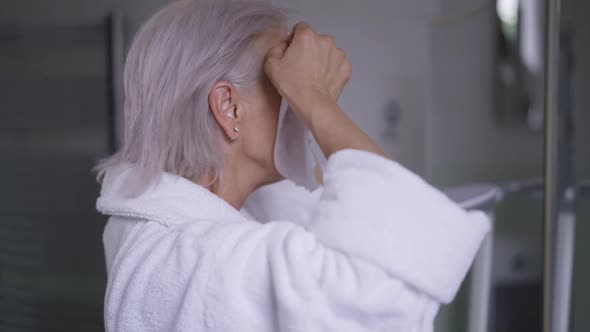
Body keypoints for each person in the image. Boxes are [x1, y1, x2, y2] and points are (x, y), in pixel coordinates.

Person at [95, 0, 490, 331]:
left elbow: (326, 222)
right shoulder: (183, 264)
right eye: (282, 83)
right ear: (229, 107)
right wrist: (316, 99)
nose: (295, 103)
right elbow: (392, 265)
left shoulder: (212, 219)